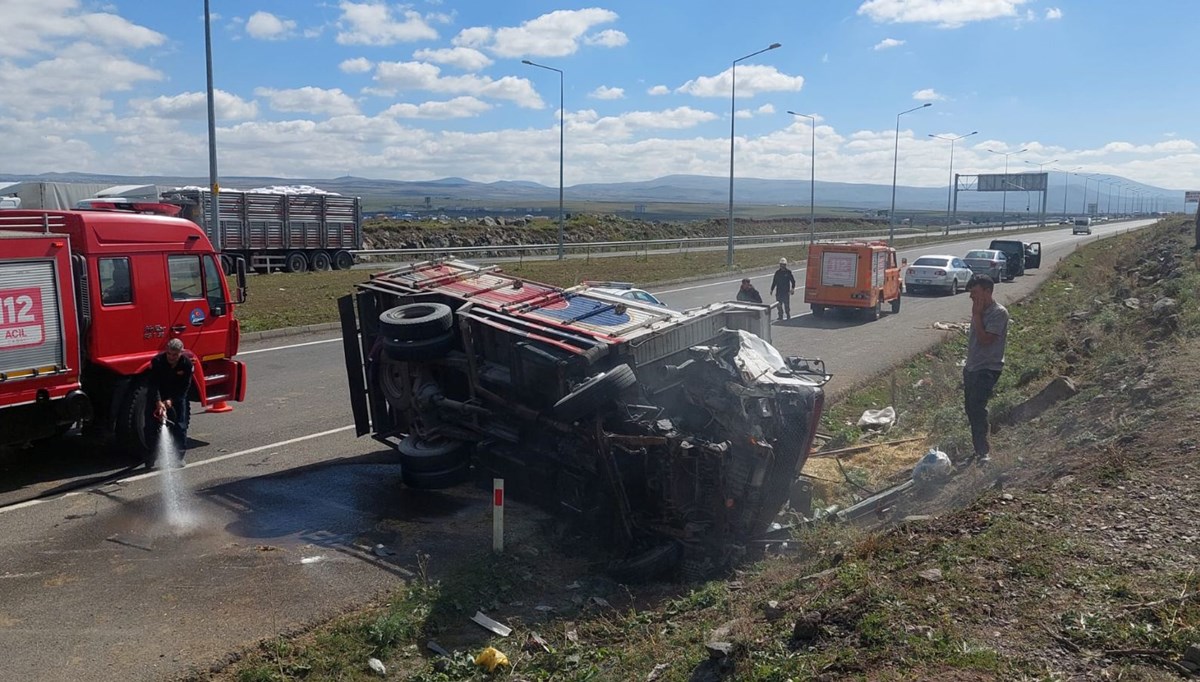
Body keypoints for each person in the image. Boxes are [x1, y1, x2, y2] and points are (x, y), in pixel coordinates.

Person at [963, 274, 1009, 465]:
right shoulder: (979, 311)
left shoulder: (998, 313)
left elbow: (984, 339)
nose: (971, 297)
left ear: (988, 291)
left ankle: (984, 452)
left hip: (988, 367)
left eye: (975, 292)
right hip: (972, 366)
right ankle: (978, 448)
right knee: (970, 408)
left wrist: (976, 315)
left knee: (977, 405)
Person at [148, 338, 194, 464]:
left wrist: (172, 400)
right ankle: (150, 458)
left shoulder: (187, 364)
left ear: (181, 353)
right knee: (151, 427)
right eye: (169, 354)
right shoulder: (157, 362)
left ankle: (179, 457)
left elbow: (185, 386)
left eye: (175, 354)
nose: (171, 357)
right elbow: (153, 384)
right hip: (159, 394)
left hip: (177, 396)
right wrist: (158, 401)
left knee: (180, 425)